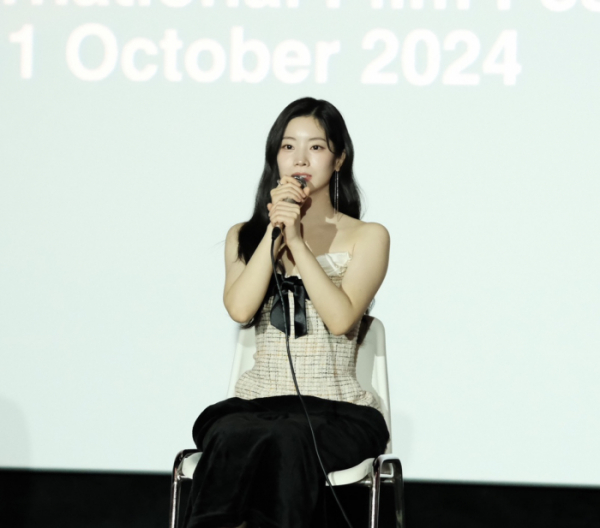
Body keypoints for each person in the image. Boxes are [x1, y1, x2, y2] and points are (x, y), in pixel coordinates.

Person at [184, 97, 390, 528]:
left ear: (339, 159)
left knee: (287, 439)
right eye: (288, 146)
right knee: (232, 435)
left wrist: (297, 241)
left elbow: (341, 319)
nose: (300, 159)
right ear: (274, 158)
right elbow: (240, 308)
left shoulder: (368, 236)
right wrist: (274, 234)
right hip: (256, 404)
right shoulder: (243, 236)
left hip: (336, 409)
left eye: (316, 147)